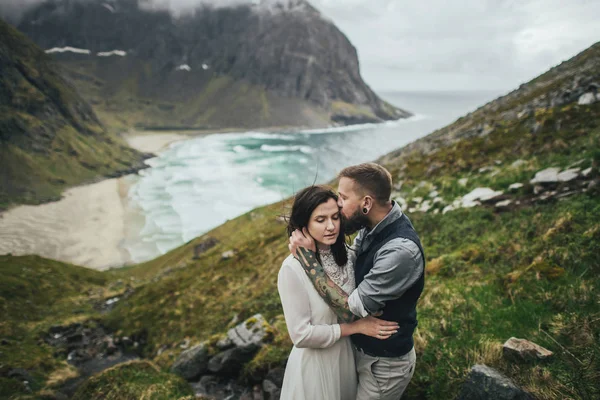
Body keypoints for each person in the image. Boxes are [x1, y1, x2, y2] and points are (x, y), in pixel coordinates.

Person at [289, 163, 425, 400]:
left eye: (342, 198)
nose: (338, 204)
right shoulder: (371, 227)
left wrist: (310, 262)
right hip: (354, 354)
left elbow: (352, 310)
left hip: (384, 365)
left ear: (366, 203)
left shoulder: (400, 251)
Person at [278, 185, 400, 400]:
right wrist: (356, 327)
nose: (331, 226)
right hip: (316, 368)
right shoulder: (292, 268)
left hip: (347, 360)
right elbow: (301, 335)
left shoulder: (348, 255)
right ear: (303, 224)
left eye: (335, 217)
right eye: (320, 220)